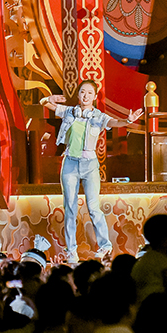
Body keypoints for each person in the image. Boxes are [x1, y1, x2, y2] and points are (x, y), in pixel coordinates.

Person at [40, 82, 141, 262]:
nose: (85, 96)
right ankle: (71, 250)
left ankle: (105, 246)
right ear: (78, 95)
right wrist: (50, 98)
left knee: (94, 207)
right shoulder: (69, 112)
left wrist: (128, 120)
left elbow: (114, 122)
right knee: (70, 208)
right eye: (82, 92)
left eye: (89, 93)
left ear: (95, 96)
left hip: (90, 165)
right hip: (70, 163)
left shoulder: (99, 117)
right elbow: (44, 103)